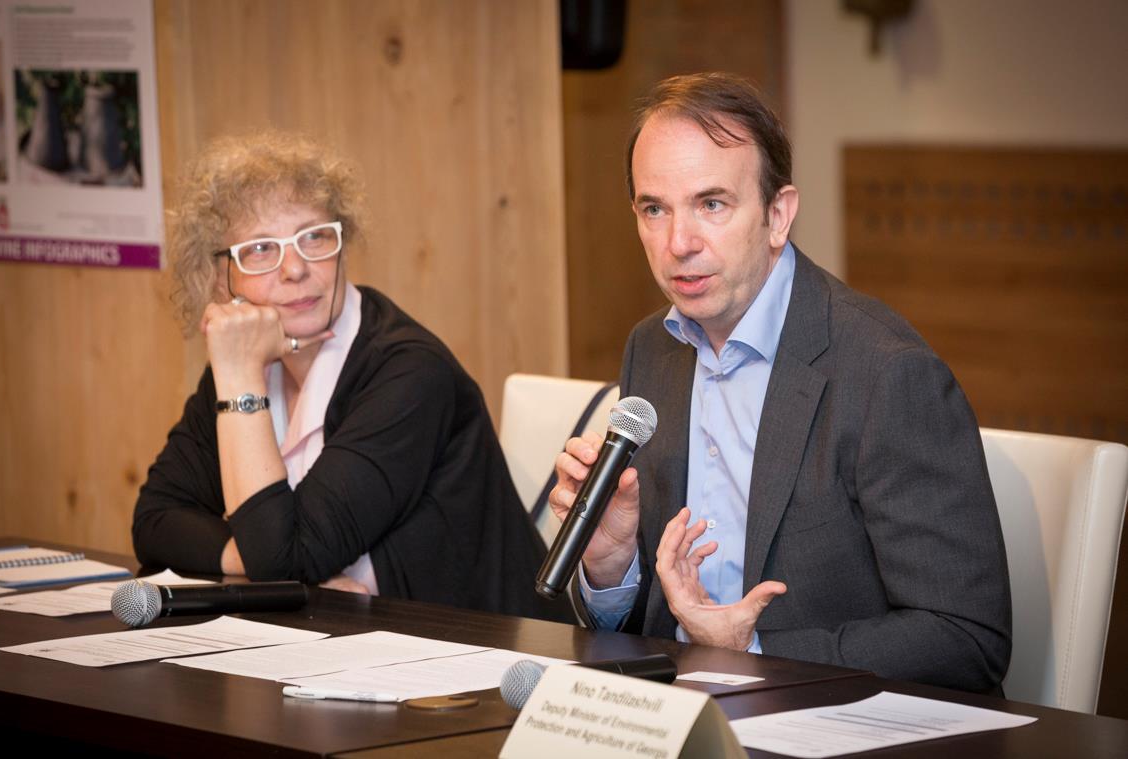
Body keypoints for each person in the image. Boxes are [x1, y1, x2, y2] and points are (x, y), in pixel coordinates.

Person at [549, 73, 1011, 691]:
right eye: (654, 209)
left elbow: (966, 639)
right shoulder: (653, 348)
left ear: (778, 215)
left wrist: (753, 650)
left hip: (827, 719)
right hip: (680, 712)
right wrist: (612, 568)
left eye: (712, 204)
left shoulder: (888, 374)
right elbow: (651, 629)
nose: (678, 243)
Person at [134, 131, 569, 623]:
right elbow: (155, 521)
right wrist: (265, 562)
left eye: (314, 237)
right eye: (261, 249)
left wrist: (280, 566)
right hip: (356, 641)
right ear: (220, 278)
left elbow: (284, 558)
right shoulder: (243, 361)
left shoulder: (410, 373)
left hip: (490, 650)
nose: (295, 269)